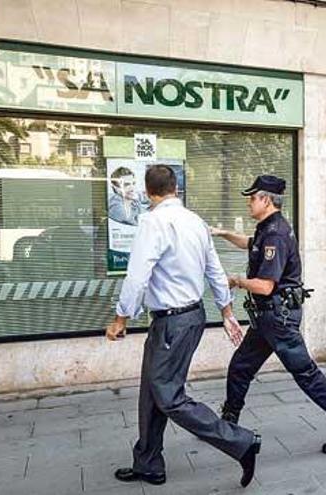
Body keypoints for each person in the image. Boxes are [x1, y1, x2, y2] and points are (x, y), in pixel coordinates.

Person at [105, 165, 261, 487]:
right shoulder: (195, 222)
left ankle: (240, 442)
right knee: (152, 391)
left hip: (172, 323)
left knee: (168, 395)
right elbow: (215, 271)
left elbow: (137, 276)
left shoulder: (153, 221)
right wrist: (227, 311)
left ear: (149, 193)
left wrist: (121, 318)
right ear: (175, 188)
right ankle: (148, 462)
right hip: (190, 318)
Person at [212, 175, 326, 455]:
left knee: (305, 373)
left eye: (252, 197)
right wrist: (221, 234)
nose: (249, 202)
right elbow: (248, 243)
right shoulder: (266, 229)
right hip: (268, 319)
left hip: (278, 318)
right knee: (240, 367)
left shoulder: (276, 234)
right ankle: (228, 423)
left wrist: (235, 280)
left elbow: (266, 285)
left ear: (266, 200)